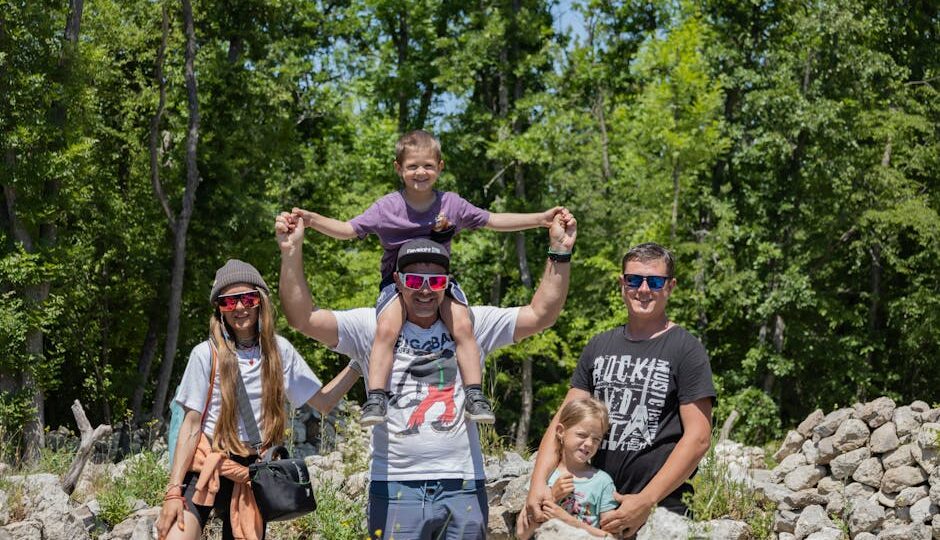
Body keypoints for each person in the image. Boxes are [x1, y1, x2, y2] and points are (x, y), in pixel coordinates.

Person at [276, 209, 577, 540]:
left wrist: (559, 252)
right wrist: (291, 253)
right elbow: (302, 318)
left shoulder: (473, 324)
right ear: (397, 283)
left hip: (462, 483)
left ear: (447, 284)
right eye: (414, 281)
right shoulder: (370, 327)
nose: (424, 291)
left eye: (435, 282)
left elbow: (541, 314)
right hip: (394, 486)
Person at [292, 129, 565, 427]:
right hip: (399, 285)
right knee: (386, 328)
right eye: (412, 166)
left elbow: (493, 220)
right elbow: (347, 230)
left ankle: (474, 394)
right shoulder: (387, 208)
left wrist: (540, 219)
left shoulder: (452, 205)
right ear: (398, 168)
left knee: (463, 324)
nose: (420, 172)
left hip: (438, 284)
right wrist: (312, 220)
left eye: (428, 166)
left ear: (440, 167)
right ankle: (377, 397)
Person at [155, 259, 359, 540]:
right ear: (219, 309)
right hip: (209, 462)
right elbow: (190, 427)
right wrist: (173, 492)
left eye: (248, 298)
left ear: (260, 301)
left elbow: (323, 402)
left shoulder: (279, 351)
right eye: (229, 302)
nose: (239, 307)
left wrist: (359, 364)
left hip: (252, 473)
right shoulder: (205, 354)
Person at [524, 243, 716, 538]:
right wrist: (538, 484)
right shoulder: (599, 346)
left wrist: (646, 501)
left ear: (670, 287)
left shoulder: (686, 349)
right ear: (621, 283)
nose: (643, 289)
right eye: (633, 279)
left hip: (659, 513)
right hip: (591, 509)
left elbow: (699, 438)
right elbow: (565, 419)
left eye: (654, 281)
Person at [516, 398, 619, 539]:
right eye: (582, 435)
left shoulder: (602, 482)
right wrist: (552, 497)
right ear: (560, 431)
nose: (589, 443)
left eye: (596, 439)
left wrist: (568, 521)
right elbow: (522, 533)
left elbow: (612, 537)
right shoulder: (543, 478)